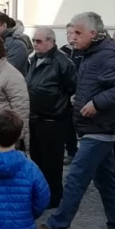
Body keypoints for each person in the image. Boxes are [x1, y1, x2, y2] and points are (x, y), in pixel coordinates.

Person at [37, 12, 115, 229]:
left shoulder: (104, 56)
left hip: (99, 130)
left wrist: (96, 103)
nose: (73, 37)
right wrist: (81, 99)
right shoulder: (91, 53)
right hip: (97, 129)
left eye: (78, 33)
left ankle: (57, 227)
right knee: (107, 183)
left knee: (76, 178)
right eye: (72, 32)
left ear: (93, 33)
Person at [26, 28, 77, 209]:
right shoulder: (33, 59)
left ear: (51, 42)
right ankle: (40, 193)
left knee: (52, 163)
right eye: (34, 40)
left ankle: (54, 196)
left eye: (38, 41)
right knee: (37, 159)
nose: (35, 44)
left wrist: (59, 106)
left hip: (54, 120)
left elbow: (72, 87)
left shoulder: (63, 62)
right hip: (35, 117)